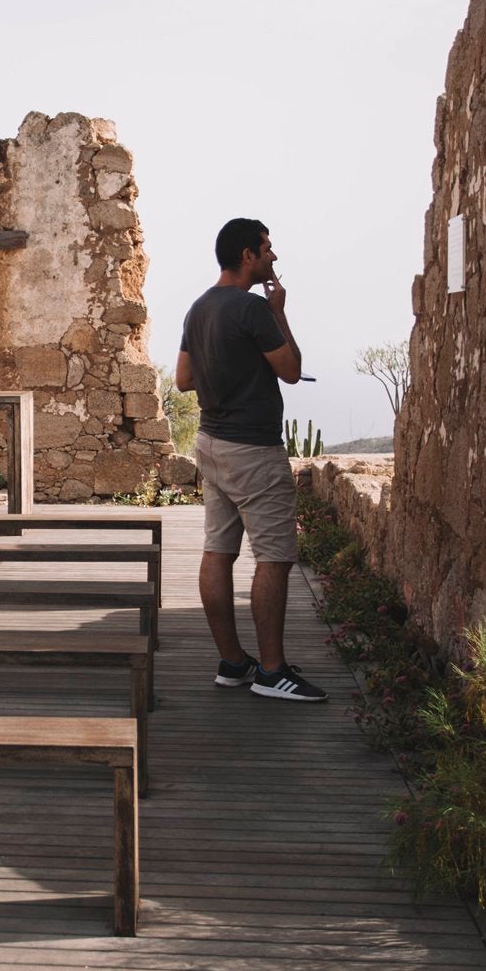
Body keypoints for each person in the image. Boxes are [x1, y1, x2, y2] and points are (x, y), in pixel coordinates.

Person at [174, 217, 328, 703]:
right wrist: (279, 312)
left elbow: (182, 379)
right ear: (247, 256)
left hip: (211, 442)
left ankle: (233, 663)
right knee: (275, 557)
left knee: (218, 551)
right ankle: (272, 671)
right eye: (267, 248)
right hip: (254, 451)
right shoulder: (254, 308)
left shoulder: (199, 308)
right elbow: (291, 370)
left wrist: (226, 370)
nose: (273, 257)